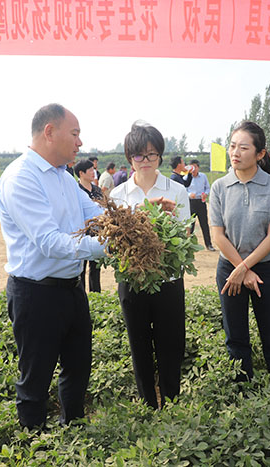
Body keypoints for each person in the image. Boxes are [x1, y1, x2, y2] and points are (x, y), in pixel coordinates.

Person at [0, 103, 107, 428]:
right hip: (35, 294)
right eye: (74, 134)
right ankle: (33, 443)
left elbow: (94, 212)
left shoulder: (63, 176)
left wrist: (136, 221)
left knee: (78, 365)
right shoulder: (21, 178)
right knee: (36, 374)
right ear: (49, 132)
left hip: (72, 289)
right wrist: (107, 247)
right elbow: (50, 241)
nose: (79, 143)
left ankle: (71, 429)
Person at [109, 121, 190, 409]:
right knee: (139, 346)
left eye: (152, 155)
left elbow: (183, 237)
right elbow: (113, 242)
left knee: (171, 346)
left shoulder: (176, 191)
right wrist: (146, 213)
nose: (146, 162)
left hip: (168, 281)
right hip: (132, 282)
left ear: (160, 156)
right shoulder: (118, 196)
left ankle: (172, 403)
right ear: (129, 158)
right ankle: (147, 406)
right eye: (139, 156)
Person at [210, 121, 270, 382]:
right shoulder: (219, 187)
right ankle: (242, 393)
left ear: (260, 154)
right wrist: (239, 269)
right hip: (229, 269)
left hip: (265, 269)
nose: (235, 152)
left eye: (243, 148)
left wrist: (244, 269)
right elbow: (217, 236)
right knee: (235, 337)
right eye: (232, 146)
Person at [75, 159, 104, 293]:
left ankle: (96, 294)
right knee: (80, 266)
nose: (94, 173)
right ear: (81, 173)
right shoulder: (75, 191)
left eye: (94, 169)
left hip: (97, 233)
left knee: (96, 267)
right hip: (82, 233)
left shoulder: (97, 190)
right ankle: (80, 293)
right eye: (90, 170)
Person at [186, 159, 215, 251]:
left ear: (198, 167)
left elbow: (207, 187)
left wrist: (206, 193)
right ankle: (189, 245)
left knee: (204, 224)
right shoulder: (185, 178)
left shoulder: (203, 176)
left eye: (195, 167)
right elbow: (183, 189)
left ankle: (209, 244)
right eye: (191, 167)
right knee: (191, 225)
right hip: (191, 202)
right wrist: (189, 194)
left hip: (201, 202)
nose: (193, 169)